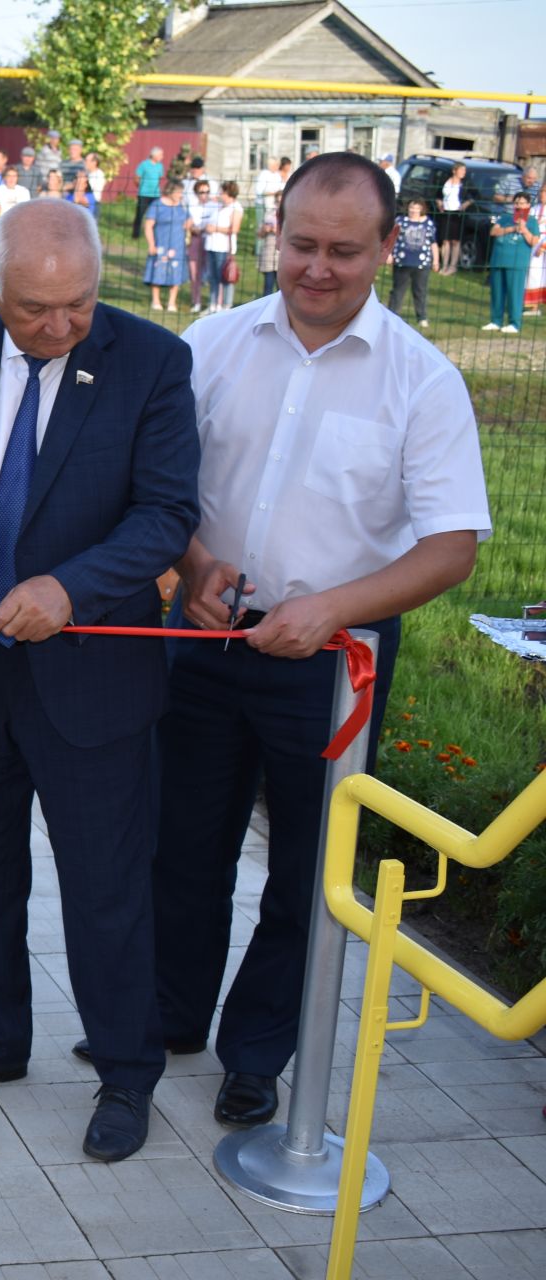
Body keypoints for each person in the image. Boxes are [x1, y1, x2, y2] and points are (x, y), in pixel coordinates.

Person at [152, 152, 489, 1133]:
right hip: (206, 636)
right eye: (302, 243)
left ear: (391, 246)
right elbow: (161, 483)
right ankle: (168, 1015)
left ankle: (259, 1053)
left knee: (309, 869)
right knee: (182, 845)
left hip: (336, 664)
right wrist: (195, 560)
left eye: (347, 250)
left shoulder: (422, 381)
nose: (319, 267)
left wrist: (335, 606)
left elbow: (452, 546)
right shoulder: (210, 342)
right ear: (276, 233)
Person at [0, 199, 199, 1163]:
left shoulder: (153, 362)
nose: (61, 326)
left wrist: (71, 588)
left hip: (94, 677)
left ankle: (125, 1070)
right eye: (34, 308)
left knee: (106, 887)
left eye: (79, 304)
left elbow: (164, 514)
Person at [486, 195, 539, 334]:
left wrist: (524, 230)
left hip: (517, 263)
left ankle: (514, 323)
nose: (519, 206)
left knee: (515, 294)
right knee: (497, 292)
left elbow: (534, 242)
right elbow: (493, 231)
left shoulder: (532, 222)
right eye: (517, 203)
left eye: (522, 203)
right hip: (498, 260)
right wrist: (512, 229)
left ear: (528, 205)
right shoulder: (504, 218)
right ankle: (495, 321)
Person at [387, 197, 436, 329]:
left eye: (417, 208)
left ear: (422, 209)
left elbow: (433, 243)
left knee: (420, 291)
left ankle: (422, 317)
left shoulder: (428, 224)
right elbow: (391, 240)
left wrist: (436, 260)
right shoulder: (400, 222)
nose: (414, 210)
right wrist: (389, 254)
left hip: (422, 263)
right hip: (402, 262)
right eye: (411, 207)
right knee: (398, 291)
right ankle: (391, 316)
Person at [144, 184, 188, 313]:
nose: (181, 195)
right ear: (171, 192)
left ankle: (171, 302)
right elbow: (148, 226)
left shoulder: (182, 205)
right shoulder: (157, 205)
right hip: (161, 243)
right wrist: (151, 244)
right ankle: (156, 300)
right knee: (159, 269)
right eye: (179, 192)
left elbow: (188, 220)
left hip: (177, 244)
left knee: (176, 271)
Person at [204, 181, 243, 314]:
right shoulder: (219, 206)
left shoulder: (236, 208)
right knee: (213, 276)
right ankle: (213, 304)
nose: (220, 194)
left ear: (228, 193)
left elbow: (234, 229)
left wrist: (214, 228)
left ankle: (227, 305)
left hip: (223, 247)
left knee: (226, 276)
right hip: (211, 245)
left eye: (222, 192)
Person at [186, 177, 218, 312]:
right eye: (201, 192)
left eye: (207, 192)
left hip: (210, 240)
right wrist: (193, 228)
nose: (204, 195)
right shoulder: (192, 206)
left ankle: (215, 302)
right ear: (196, 193)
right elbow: (189, 224)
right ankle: (196, 301)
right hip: (196, 239)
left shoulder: (214, 205)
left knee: (212, 272)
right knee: (195, 272)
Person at [437, 162, 469, 277]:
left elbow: (472, 196)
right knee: (445, 240)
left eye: (464, 171)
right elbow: (438, 195)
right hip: (446, 212)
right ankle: (444, 265)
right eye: (461, 170)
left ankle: (453, 266)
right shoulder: (445, 181)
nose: (463, 173)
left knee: (455, 240)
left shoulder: (464, 184)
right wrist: (439, 203)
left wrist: (465, 204)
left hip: (457, 213)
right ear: (454, 171)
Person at [133, 145, 165, 239]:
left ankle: (155, 235)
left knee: (156, 216)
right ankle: (136, 234)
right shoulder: (144, 164)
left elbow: (159, 178)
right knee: (140, 214)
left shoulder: (160, 166)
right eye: (160, 155)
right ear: (154, 155)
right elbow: (136, 177)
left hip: (155, 194)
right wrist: (142, 187)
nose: (162, 157)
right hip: (144, 194)